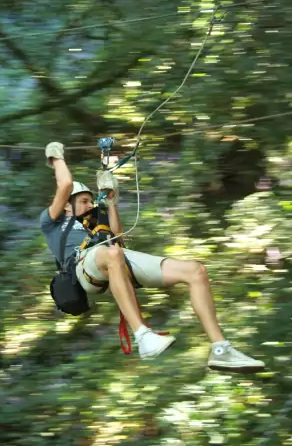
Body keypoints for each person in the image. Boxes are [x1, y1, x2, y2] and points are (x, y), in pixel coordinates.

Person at [38, 141, 266, 373]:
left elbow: (117, 237)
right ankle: (143, 336)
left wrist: (111, 203)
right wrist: (56, 157)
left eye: (90, 200)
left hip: (111, 257)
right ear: (67, 205)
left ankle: (221, 349)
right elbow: (65, 184)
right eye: (84, 201)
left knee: (195, 271)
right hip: (84, 268)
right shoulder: (52, 222)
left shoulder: (92, 224)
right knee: (112, 254)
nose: (90, 205)